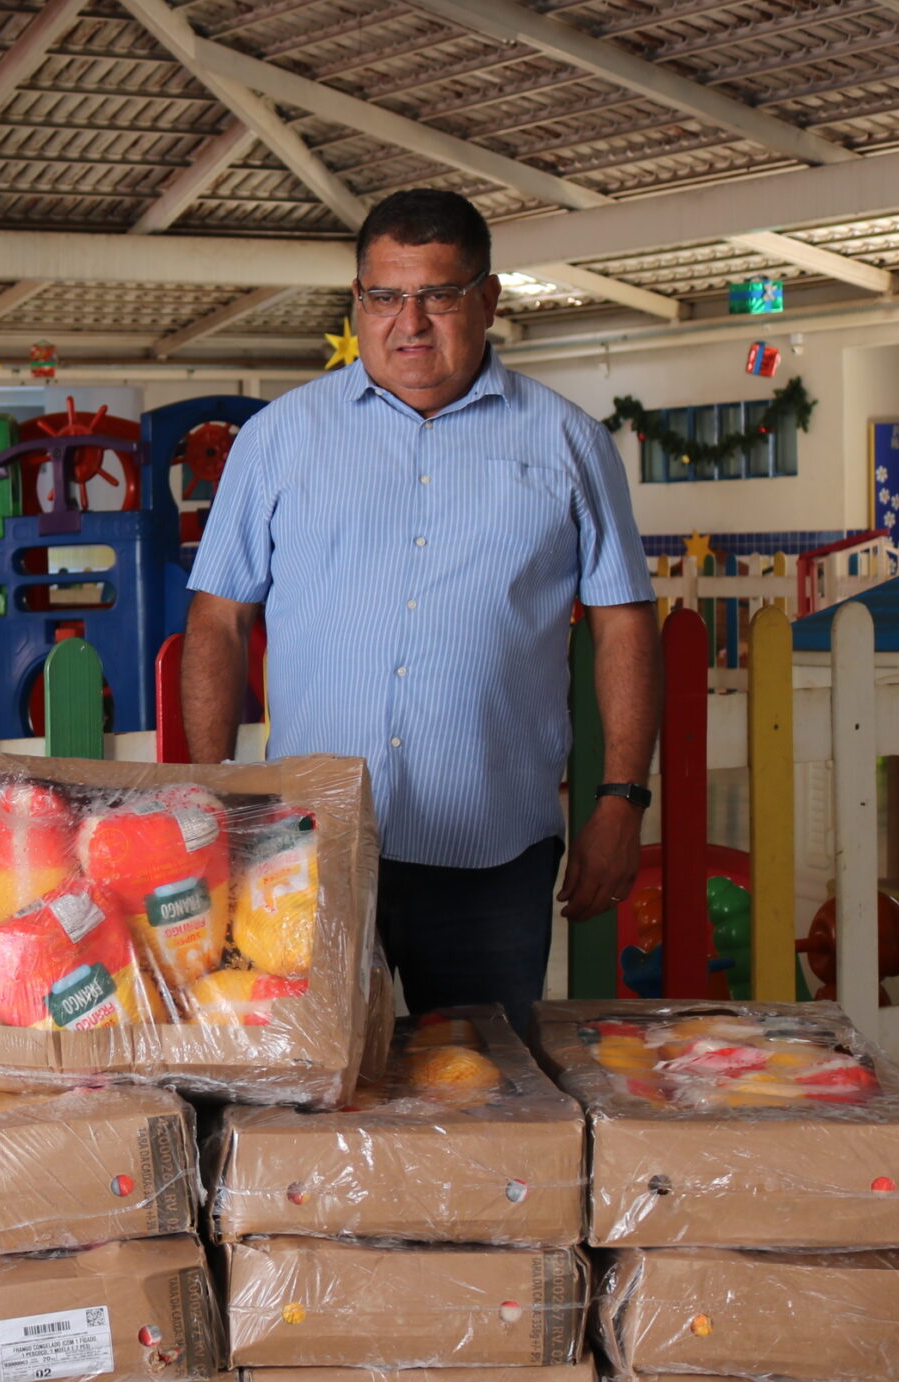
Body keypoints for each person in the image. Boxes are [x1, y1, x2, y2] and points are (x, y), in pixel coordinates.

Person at [182, 188, 660, 1030]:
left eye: (437, 294)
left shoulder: (566, 444)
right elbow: (219, 621)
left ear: (487, 297)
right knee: (301, 1087)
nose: (410, 321)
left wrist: (622, 798)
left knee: (480, 1100)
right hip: (307, 845)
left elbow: (624, 620)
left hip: (490, 854)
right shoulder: (280, 440)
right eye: (384, 296)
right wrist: (218, 797)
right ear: (357, 301)